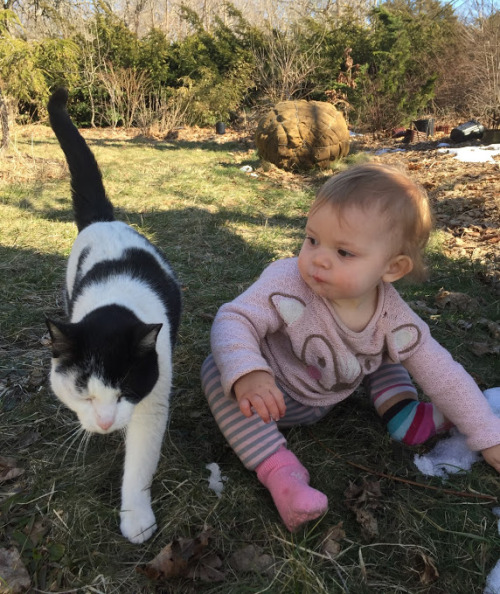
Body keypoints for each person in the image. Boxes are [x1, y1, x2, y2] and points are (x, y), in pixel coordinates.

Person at [201, 162, 500, 532]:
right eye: (312, 240)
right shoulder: (285, 281)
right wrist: (249, 372)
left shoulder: (394, 317)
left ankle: (407, 415)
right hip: (274, 397)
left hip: (337, 388)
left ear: (392, 268)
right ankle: (279, 471)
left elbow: (441, 371)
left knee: (393, 355)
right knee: (217, 371)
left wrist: (487, 435)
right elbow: (234, 319)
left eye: (344, 252)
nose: (318, 258)